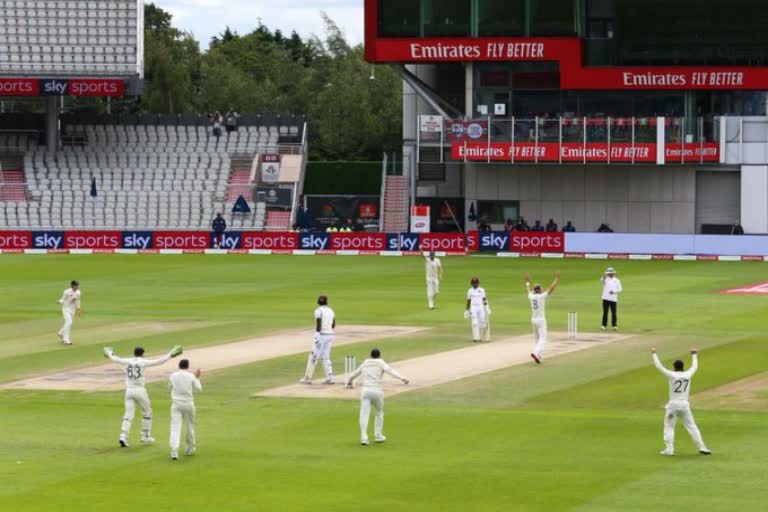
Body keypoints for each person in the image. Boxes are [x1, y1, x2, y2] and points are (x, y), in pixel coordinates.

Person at [103, 344, 184, 447]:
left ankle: (123, 436)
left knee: (128, 415)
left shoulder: (127, 361)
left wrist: (109, 353)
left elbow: (114, 358)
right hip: (140, 391)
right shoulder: (143, 362)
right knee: (147, 412)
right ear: (142, 354)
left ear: (134, 353)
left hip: (129, 391)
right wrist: (171, 354)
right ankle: (145, 436)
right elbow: (159, 361)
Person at [651, 347, 711, 456]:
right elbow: (694, 367)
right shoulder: (688, 374)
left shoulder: (672, 375)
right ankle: (703, 447)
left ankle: (669, 449)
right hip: (684, 405)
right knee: (692, 426)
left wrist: (654, 353)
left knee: (669, 426)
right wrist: (694, 354)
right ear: (683, 367)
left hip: (673, 406)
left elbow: (659, 366)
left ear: (674, 367)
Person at [345, 348, 409, 445]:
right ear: (379, 355)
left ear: (371, 355)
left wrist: (349, 382)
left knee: (364, 414)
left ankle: (364, 437)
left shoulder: (365, 362)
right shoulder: (381, 362)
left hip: (365, 391)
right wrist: (402, 378)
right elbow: (391, 371)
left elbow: (355, 373)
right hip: (377, 391)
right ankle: (378, 436)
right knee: (379, 413)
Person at [169, 359, 202, 460]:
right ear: (187, 366)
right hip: (188, 404)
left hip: (176, 404)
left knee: (175, 428)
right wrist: (197, 378)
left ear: (179, 365)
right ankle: (190, 448)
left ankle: (174, 451)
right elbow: (199, 388)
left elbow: (169, 388)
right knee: (189, 427)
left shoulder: (173, 375)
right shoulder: (191, 376)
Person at [299, 295, 336, 385]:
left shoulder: (318, 311)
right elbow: (333, 325)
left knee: (313, 356)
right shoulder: (331, 311)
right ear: (327, 302)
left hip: (321, 336)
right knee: (326, 357)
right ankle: (330, 378)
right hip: (330, 335)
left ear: (318, 302)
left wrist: (317, 336)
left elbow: (318, 326)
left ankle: (308, 378)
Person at [525, 271, 560, 364]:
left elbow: (528, 290)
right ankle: (535, 353)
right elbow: (551, 289)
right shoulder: (541, 296)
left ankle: (539, 356)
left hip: (533, 320)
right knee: (543, 339)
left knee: (537, 339)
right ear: (539, 290)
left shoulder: (531, 296)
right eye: (541, 288)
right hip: (541, 320)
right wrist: (556, 278)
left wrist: (527, 282)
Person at [465, 277, 490, 342]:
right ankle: (476, 338)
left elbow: (484, 299)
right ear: (471, 284)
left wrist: (487, 307)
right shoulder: (469, 291)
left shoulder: (482, 290)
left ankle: (482, 336)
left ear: (478, 283)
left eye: (476, 283)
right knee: (474, 323)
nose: (474, 284)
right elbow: (468, 301)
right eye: (473, 283)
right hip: (473, 308)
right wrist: (467, 310)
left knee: (482, 323)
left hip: (481, 308)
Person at [57, 280, 81, 345]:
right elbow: (63, 299)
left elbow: (78, 301)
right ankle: (66, 340)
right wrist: (59, 301)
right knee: (69, 322)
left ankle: (61, 332)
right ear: (73, 286)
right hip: (65, 309)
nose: (78, 287)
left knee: (69, 323)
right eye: (76, 286)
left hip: (72, 310)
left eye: (78, 286)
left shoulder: (78, 292)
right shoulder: (66, 292)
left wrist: (78, 309)